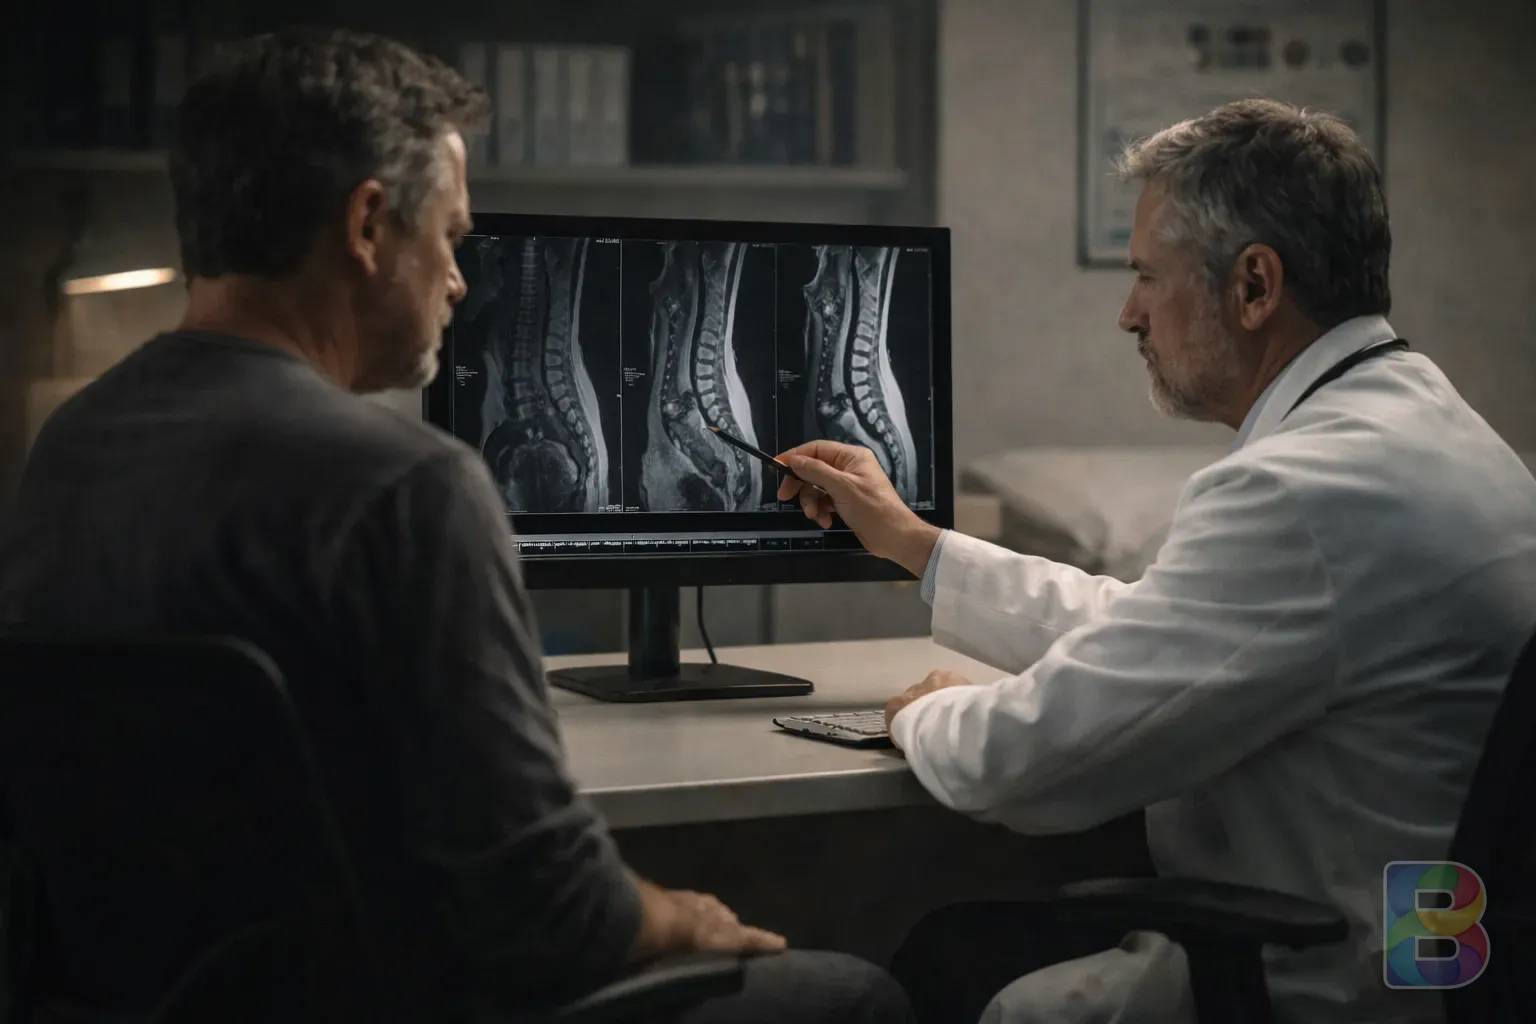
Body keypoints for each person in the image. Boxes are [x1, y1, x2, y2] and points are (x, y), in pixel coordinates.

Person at [0, 29, 914, 1024]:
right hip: (395, 1000)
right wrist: (679, 918)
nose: (459, 279)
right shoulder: (405, 488)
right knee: (856, 994)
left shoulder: (67, 448)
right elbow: (546, 903)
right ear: (367, 225)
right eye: (450, 234)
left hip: (144, 1001)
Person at [775, 98, 1536, 1024]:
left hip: (1324, 980)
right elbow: (1159, 632)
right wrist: (917, 545)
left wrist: (925, 713)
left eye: (1146, 276)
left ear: (1255, 285)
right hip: (1436, 956)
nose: (1127, 313)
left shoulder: (1300, 493)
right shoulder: (1431, 432)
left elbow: (1031, 762)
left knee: (948, 964)